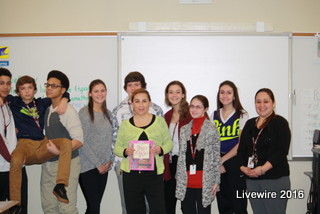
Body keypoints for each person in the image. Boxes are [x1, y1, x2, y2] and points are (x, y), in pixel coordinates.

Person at [7, 75, 71, 207]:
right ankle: (14, 204)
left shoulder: (41, 103)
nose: (27, 91)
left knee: (66, 142)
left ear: (35, 90)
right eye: (23, 88)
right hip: (24, 145)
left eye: (30, 87)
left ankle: (60, 185)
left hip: (42, 144)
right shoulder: (14, 102)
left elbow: (64, 92)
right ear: (18, 92)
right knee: (15, 160)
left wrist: (64, 101)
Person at [111, 71, 163, 214]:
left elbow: (163, 140)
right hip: (125, 165)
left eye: (137, 85)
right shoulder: (117, 111)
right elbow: (114, 139)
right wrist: (119, 163)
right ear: (126, 88)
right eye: (130, 85)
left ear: (143, 86)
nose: (133, 88)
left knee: (151, 206)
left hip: (151, 168)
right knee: (128, 206)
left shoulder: (156, 110)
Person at [237, 88, 291, 214]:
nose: (261, 105)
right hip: (252, 181)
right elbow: (241, 151)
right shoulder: (249, 124)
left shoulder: (280, 123)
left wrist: (262, 169)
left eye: (265, 101)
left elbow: (281, 151)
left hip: (274, 180)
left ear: (273, 103)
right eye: (258, 102)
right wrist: (243, 168)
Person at [40, 70, 84, 213]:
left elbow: (79, 140)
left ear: (63, 90)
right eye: (48, 85)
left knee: (67, 207)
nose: (49, 88)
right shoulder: (47, 109)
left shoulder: (68, 111)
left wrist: (59, 152)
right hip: (49, 164)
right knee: (49, 207)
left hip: (68, 164)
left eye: (54, 86)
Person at [176, 95, 220, 214]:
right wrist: (179, 178)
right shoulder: (184, 129)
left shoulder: (212, 129)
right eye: (192, 106)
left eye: (198, 107)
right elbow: (182, 156)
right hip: (186, 181)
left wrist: (216, 181)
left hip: (204, 181)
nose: (194, 110)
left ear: (205, 109)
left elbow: (216, 157)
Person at [211, 80, 248, 214]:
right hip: (219, 161)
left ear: (234, 96)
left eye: (228, 92)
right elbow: (212, 142)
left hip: (235, 160)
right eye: (222, 92)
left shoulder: (242, 114)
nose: (225, 95)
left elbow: (241, 144)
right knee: (223, 201)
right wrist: (217, 161)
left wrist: (222, 160)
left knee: (238, 202)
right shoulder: (214, 115)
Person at [79, 79, 113, 213]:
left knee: (94, 206)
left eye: (102, 90)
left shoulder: (108, 113)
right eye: (96, 91)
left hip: (104, 167)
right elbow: (82, 141)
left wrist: (109, 161)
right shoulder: (84, 112)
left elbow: (111, 139)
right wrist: (98, 164)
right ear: (90, 94)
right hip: (87, 167)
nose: (100, 94)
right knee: (94, 207)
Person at [0, 68, 28, 214]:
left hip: (15, 166)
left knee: (20, 208)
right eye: (1, 83)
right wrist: (14, 160)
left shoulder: (8, 104)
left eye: (8, 83)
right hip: (4, 167)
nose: (5, 87)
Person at [163, 80, 192, 214]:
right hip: (169, 164)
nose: (174, 95)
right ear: (167, 95)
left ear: (183, 95)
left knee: (187, 205)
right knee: (168, 203)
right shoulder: (167, 116)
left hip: (186, 164)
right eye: (171, 92)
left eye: (177, 92)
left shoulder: (191, 113)